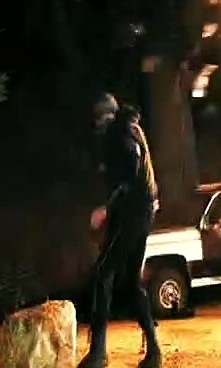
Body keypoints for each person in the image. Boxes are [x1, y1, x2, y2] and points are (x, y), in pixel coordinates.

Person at [81, 93, 162, 368]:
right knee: (131, 280)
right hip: (140, 212)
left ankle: (98, 353)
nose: (97, 126)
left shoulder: (122, 133)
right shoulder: (131, 129)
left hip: (133, 214)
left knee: (103, 274)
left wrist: (106, 208)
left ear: (108, 116)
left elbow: (131, 169)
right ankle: (154, 351)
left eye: (99, 120)